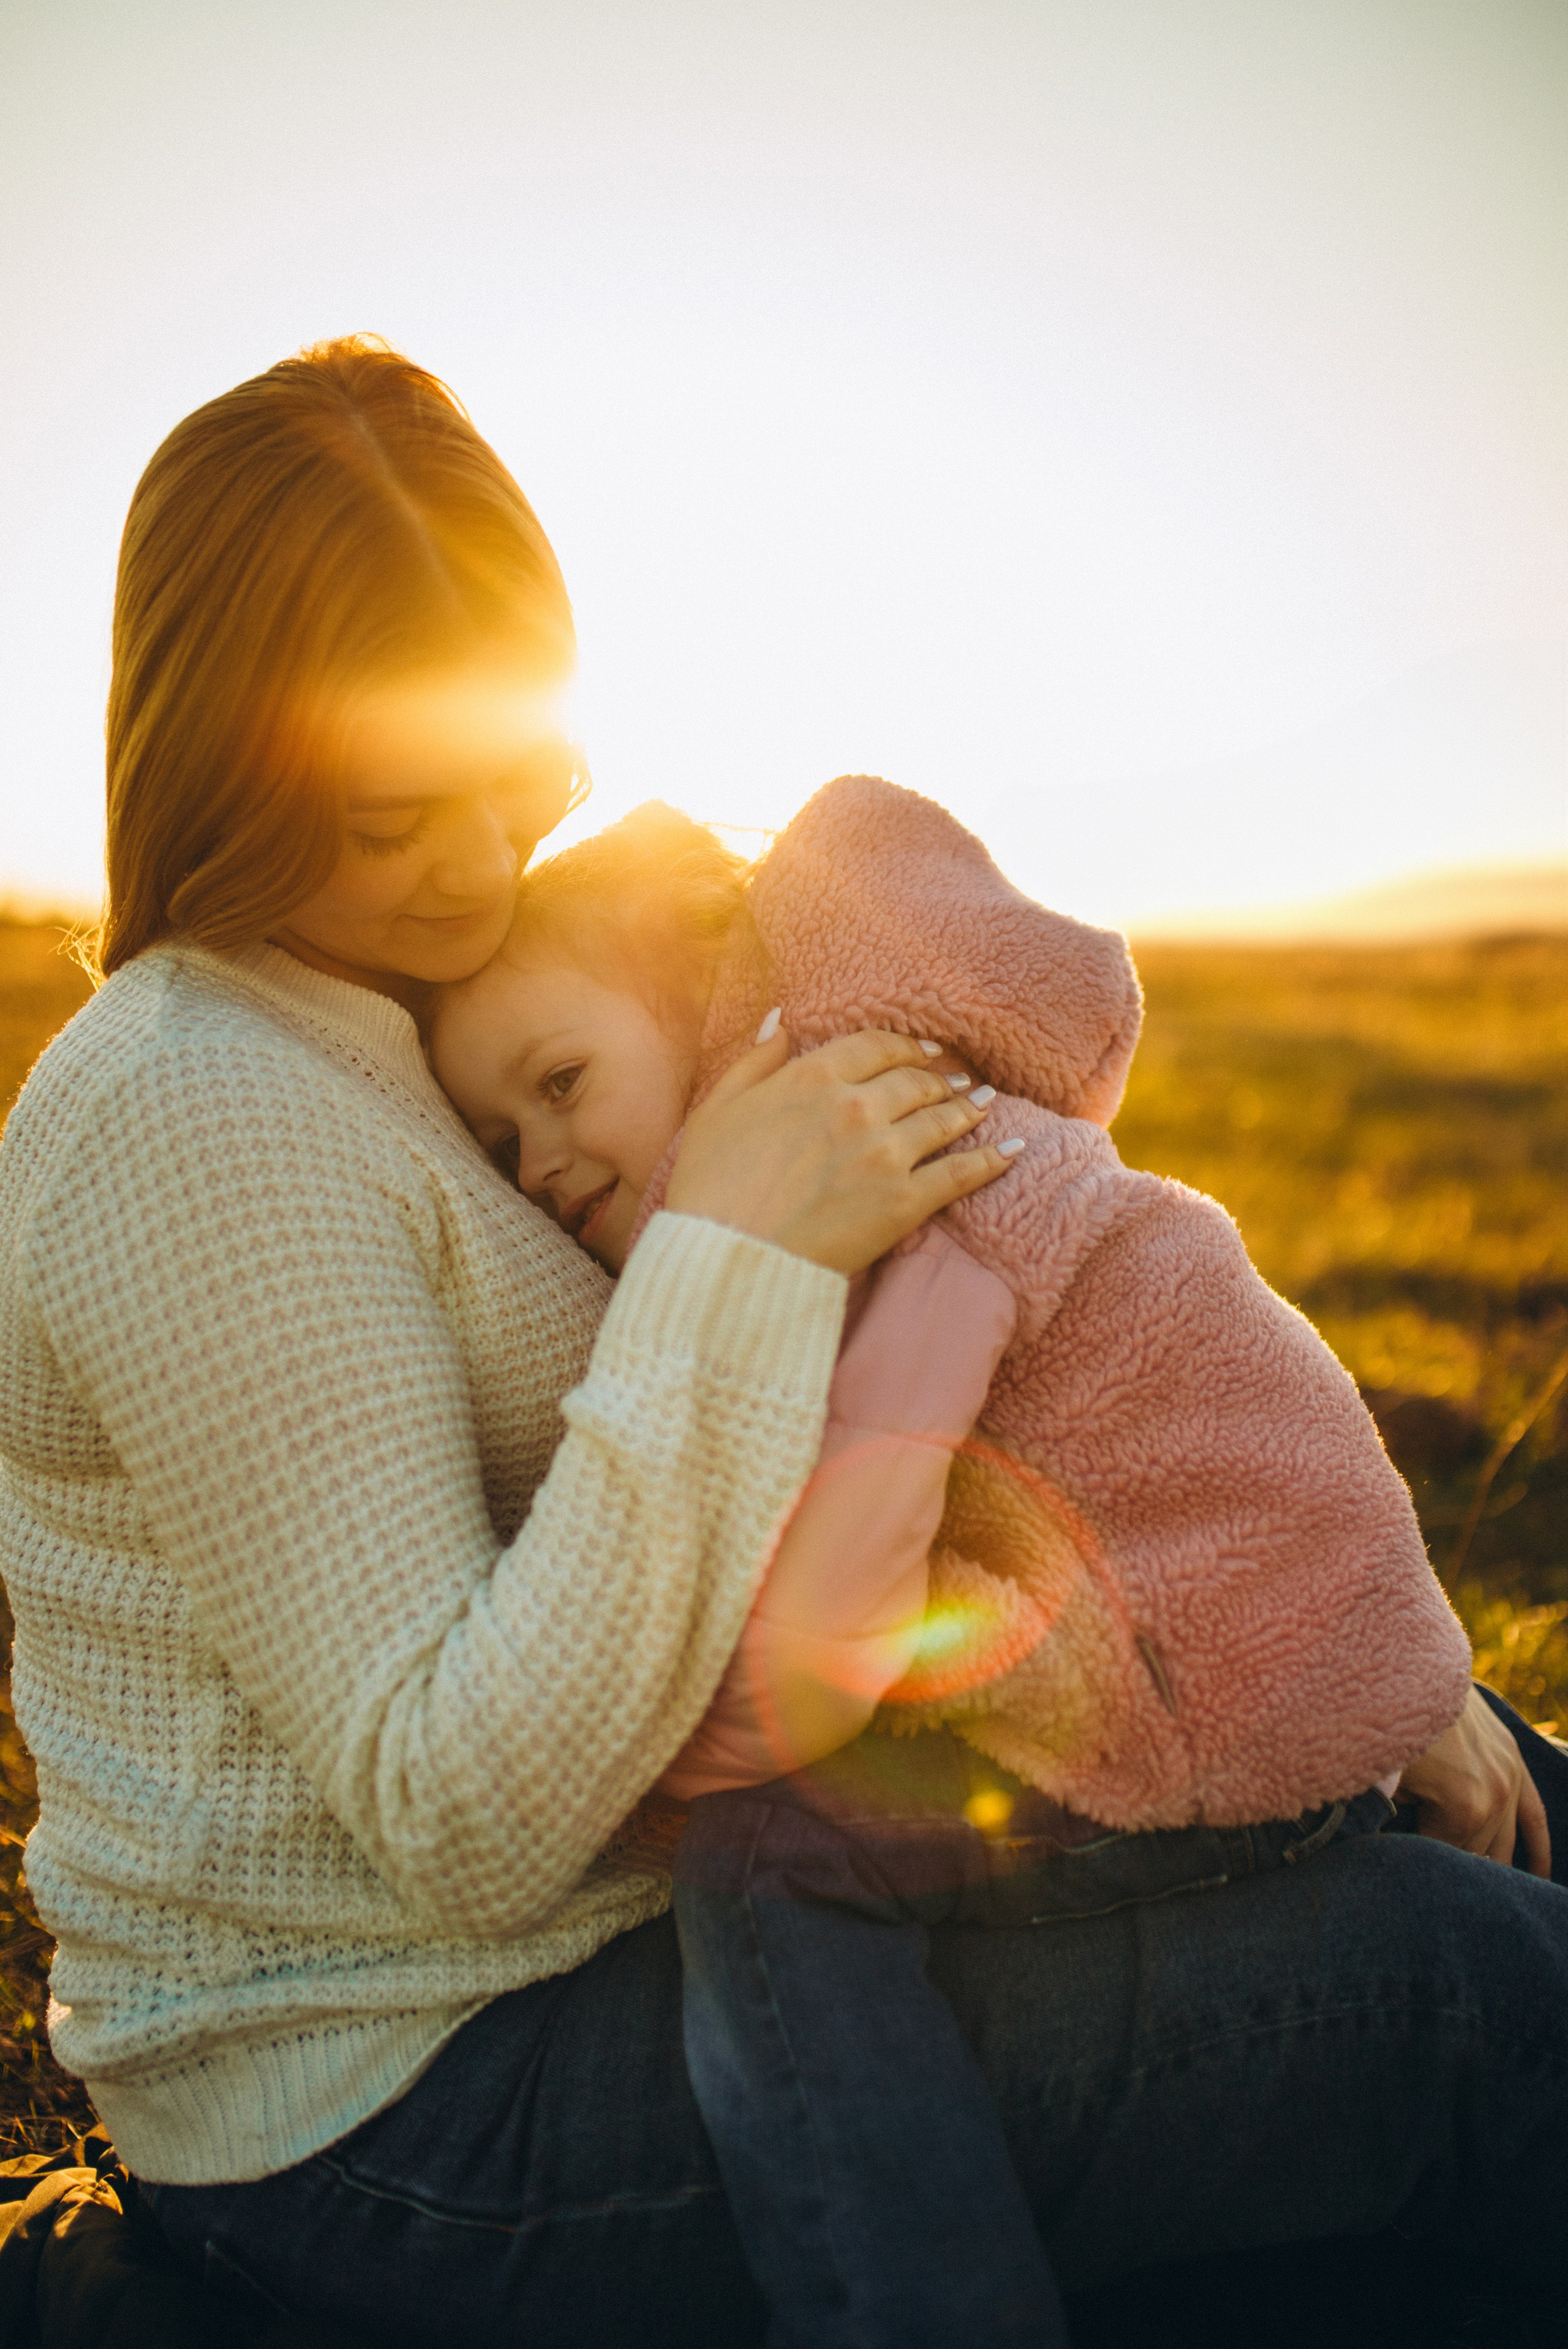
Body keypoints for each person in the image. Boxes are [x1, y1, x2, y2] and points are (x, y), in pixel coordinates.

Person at [0, 336, 1561, 2349]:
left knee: (1521, 1799)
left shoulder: (419, 1001)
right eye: (397, 815)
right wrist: (730, 1248)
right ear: (221, 755)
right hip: (403, 2103)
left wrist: (1368, 1660)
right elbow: (458, 1821)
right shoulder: (194, 1108)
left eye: (511, 782)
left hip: (707, 1889)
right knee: (1451, 1989)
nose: (474, 864)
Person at [431, 791, 1564, 2345]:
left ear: (700, 1003)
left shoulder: (875, 1201)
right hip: (1245, 1639)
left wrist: (641, 1766)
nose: (541, 1162)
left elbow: (823, 1622)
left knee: (764, 1868)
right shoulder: (921, 1105)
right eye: (500, 1141)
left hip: (1193, 1700)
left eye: (561, 1084)